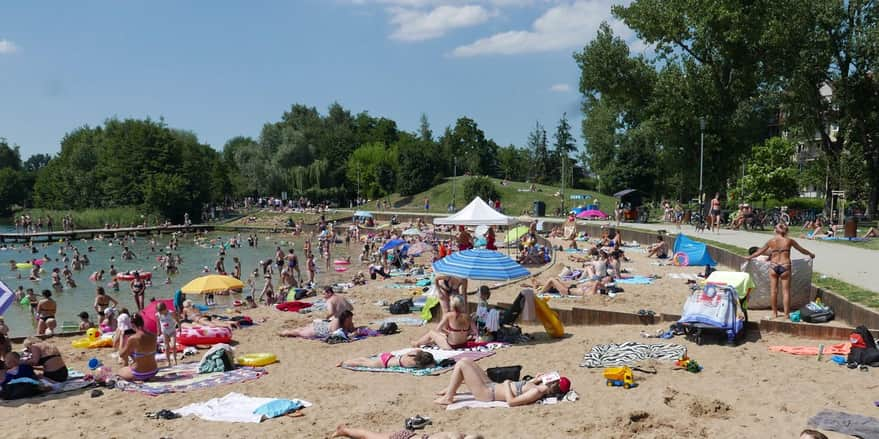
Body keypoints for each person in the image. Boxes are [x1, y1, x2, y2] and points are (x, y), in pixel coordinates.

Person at [746, 223, 815, 319]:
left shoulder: (771, 241)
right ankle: (786, 314)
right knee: (786, 292)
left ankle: (774, 313)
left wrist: (749, 257)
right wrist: (810, 254)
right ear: (786, 231)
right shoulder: (789, 241)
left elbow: (759, 251)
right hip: (785, 266)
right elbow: (801, 250)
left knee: (773, 291)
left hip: (773, 266)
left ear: (775, 230)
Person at [433, 359, 571, 406]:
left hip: (488, 393)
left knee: (462, 364)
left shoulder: (536, 392)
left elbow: (511, 402)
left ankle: (448, 397)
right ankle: (450, 389)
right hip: (491, 386)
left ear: (553, 384)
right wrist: (536, 379)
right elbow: (521, 387)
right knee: (467, 360)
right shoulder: (537, 387)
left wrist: (506, 384)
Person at [117, 314, 159, 382]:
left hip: (139, 373)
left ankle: (140, 377)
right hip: (153, 371)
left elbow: (121, 354)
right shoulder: (153, 335)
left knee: (120, 372)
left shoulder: (133, 338)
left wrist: (122, 338)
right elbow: (145, 350)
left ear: (132, 324)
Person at [279, 309, 354, 338]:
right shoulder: (337, 323)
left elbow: (351, 329)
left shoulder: (343, 321)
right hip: (318, 330)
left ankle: (286, 332)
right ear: (346, 318)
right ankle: (283, 333)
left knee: (300, 330)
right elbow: (336, 335)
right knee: (298, 332)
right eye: (350, 319)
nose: (351, 320)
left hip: (320, 325)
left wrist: (351, 327)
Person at [333, 425, 482, 439]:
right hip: (402, 437)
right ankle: (344, 430)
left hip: (408, 435)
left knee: (369, 436)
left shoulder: (453, 434)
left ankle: (345, 430)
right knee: (368, 436)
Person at [339, 349, 436, 369]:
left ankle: (347, 361)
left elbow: (416, 350)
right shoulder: (415, 363)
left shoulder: (412, 355)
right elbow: (431, 366)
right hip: (385, 363)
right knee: (363, 364)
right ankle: (344, 363)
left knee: (364, 360)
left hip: (388, 356)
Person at [155, 302, 179, 367]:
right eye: (159, 312)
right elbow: (158, 324)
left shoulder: (170, 313)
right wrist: (158, 331)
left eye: (161, 312)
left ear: (165, 309)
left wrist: (179, 326)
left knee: (173, 345)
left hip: (172, 331)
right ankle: (168, 361)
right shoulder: (158, 315)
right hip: (164, 332)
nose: (160, 313)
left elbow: (177, 319)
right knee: (166, 347)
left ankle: (174, 359)